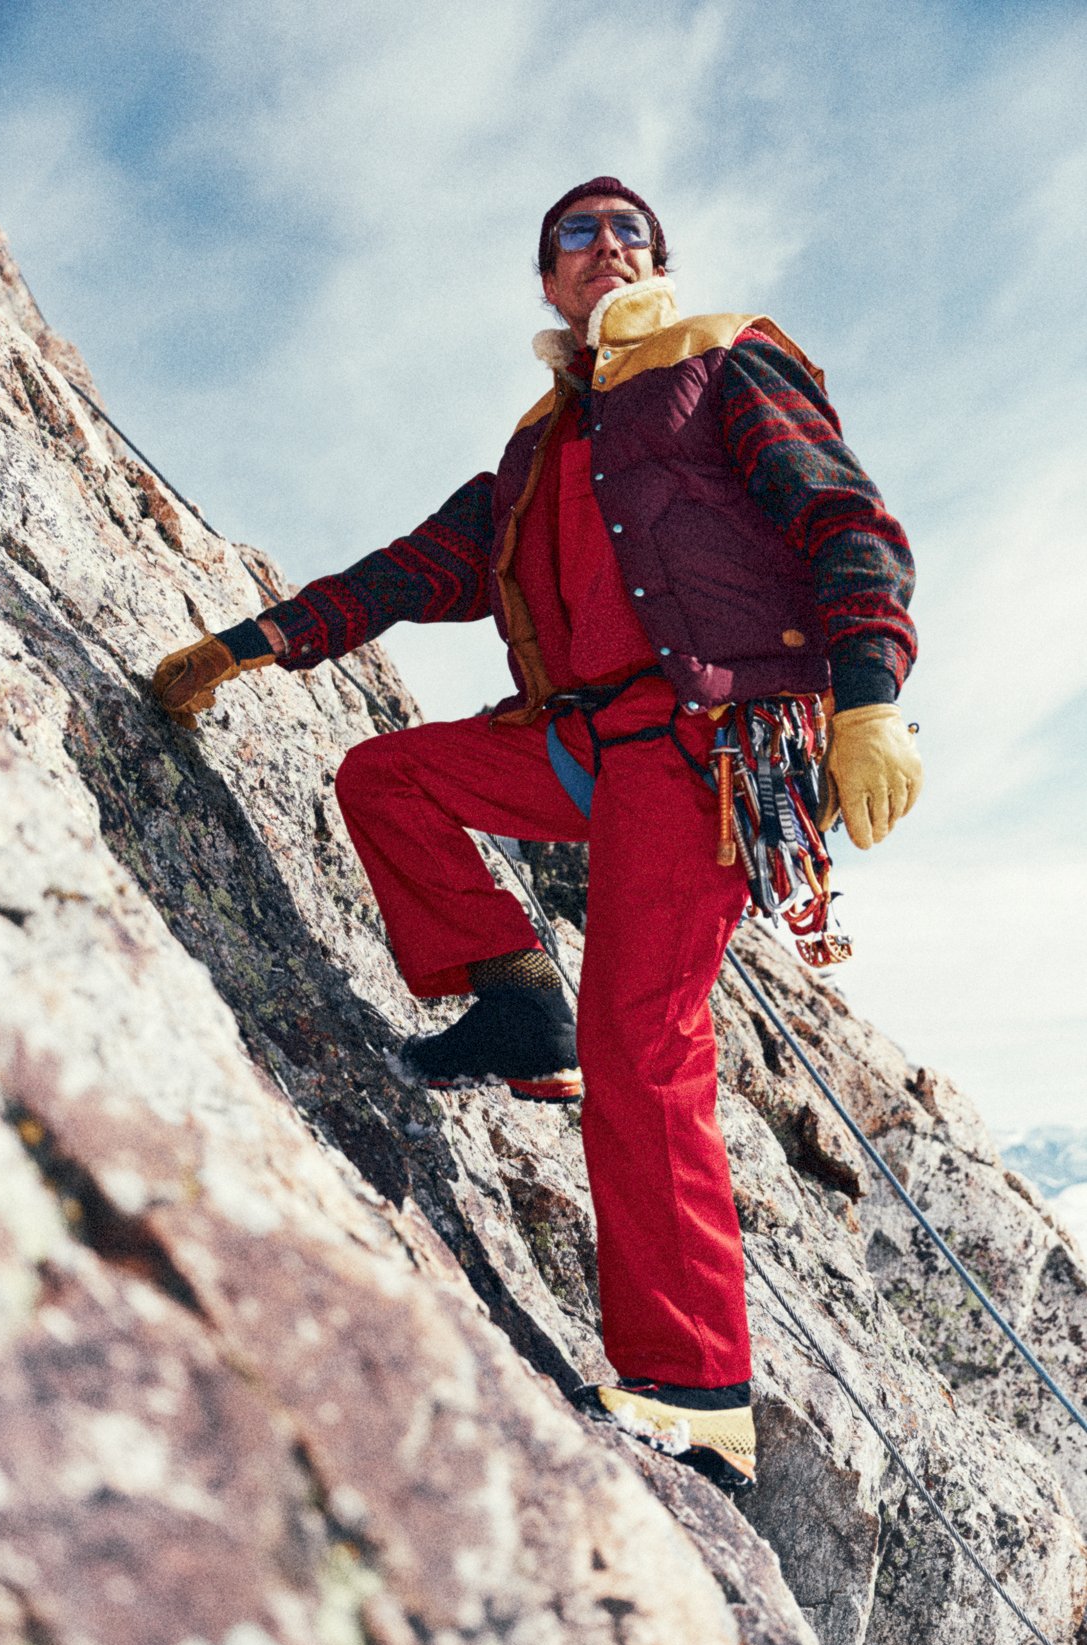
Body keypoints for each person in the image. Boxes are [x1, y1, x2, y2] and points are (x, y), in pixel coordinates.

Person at [153, 177, 922, 1488]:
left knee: (646, 1044)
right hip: (585, 741)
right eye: (579, 233)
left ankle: (695, 1392)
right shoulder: (536, 448)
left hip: (709, 742)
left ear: (657, 262)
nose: (607, 244)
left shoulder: (722, 355)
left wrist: (868, 699)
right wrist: (248, 643)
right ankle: (517, 1004)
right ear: (549, 278)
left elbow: (845, 521)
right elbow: (412, 571)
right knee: (389, 776)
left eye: (629, 230)